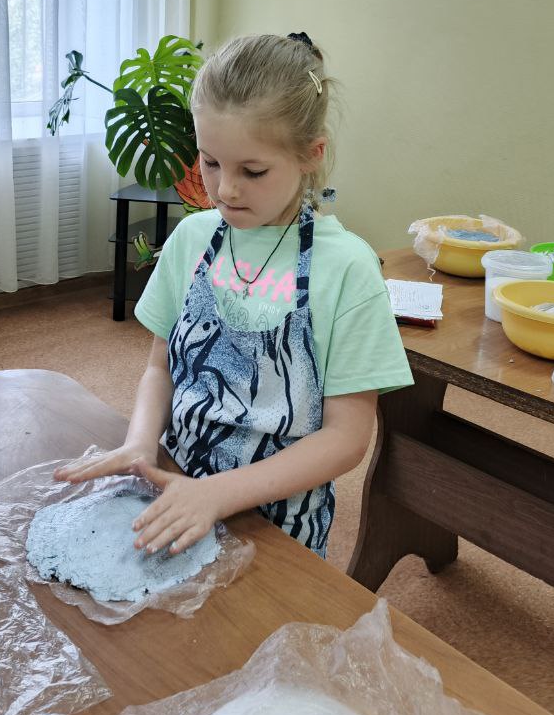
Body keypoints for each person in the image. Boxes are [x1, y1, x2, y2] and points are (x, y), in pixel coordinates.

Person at [55, 32, 413, 558]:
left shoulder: (348, 269)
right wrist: (140, 443)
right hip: (174, 491)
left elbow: (347, 438)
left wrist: (218, 495)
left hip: (277, 529)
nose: (224, 189)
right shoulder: (191, 239)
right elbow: (160, 368)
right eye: (210, 162)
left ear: (311, 155)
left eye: (253, 170)